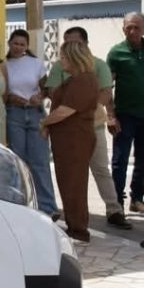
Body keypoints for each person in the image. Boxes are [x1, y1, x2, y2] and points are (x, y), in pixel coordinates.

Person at [45, 27, 132, 229]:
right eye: (66, 42)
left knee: (99, 169)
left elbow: (105, 93)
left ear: (84, 44)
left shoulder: (97, 66)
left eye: (74, 43)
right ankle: (75, 219)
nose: (69, 46)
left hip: (91, 126)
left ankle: (114, 210)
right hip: (67, 129)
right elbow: (54, 92)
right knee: (72, 176)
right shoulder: (60, 67)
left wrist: (85, 108)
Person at [40, 40, 99, 243]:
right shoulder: (74, 79)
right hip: (66, 140)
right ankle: (74, 226)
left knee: (74, 184)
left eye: (64, 57)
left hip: (75, 139)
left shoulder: (84, 80)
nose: (61, 60)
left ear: (74, 57)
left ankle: (78, 230)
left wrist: (44, 122)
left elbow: (66, 110)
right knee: (68, 183)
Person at [4, 29, 59, 218]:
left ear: (27, 46)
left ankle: (48, 206)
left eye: (22, 44)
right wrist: (11, 98)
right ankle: (19, 204)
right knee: (17, 160)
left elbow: (46, 88)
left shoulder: (36, 63)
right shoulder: (4, 65)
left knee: (40, 161)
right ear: (9, 43)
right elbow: (3, 92)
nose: (18, 47)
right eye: (15, 43)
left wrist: (40, 96)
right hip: (14, 113)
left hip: (35, 113)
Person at [108, 12, 144, 214]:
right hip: (125, 115)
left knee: (143, 160)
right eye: (129, 27)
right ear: (123, 29)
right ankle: (117, 204)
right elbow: (107, 87)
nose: (133, 31)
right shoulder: (116, 53)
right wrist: (110, 115)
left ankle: (137, 198)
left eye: (137, 27)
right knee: (120, 160)